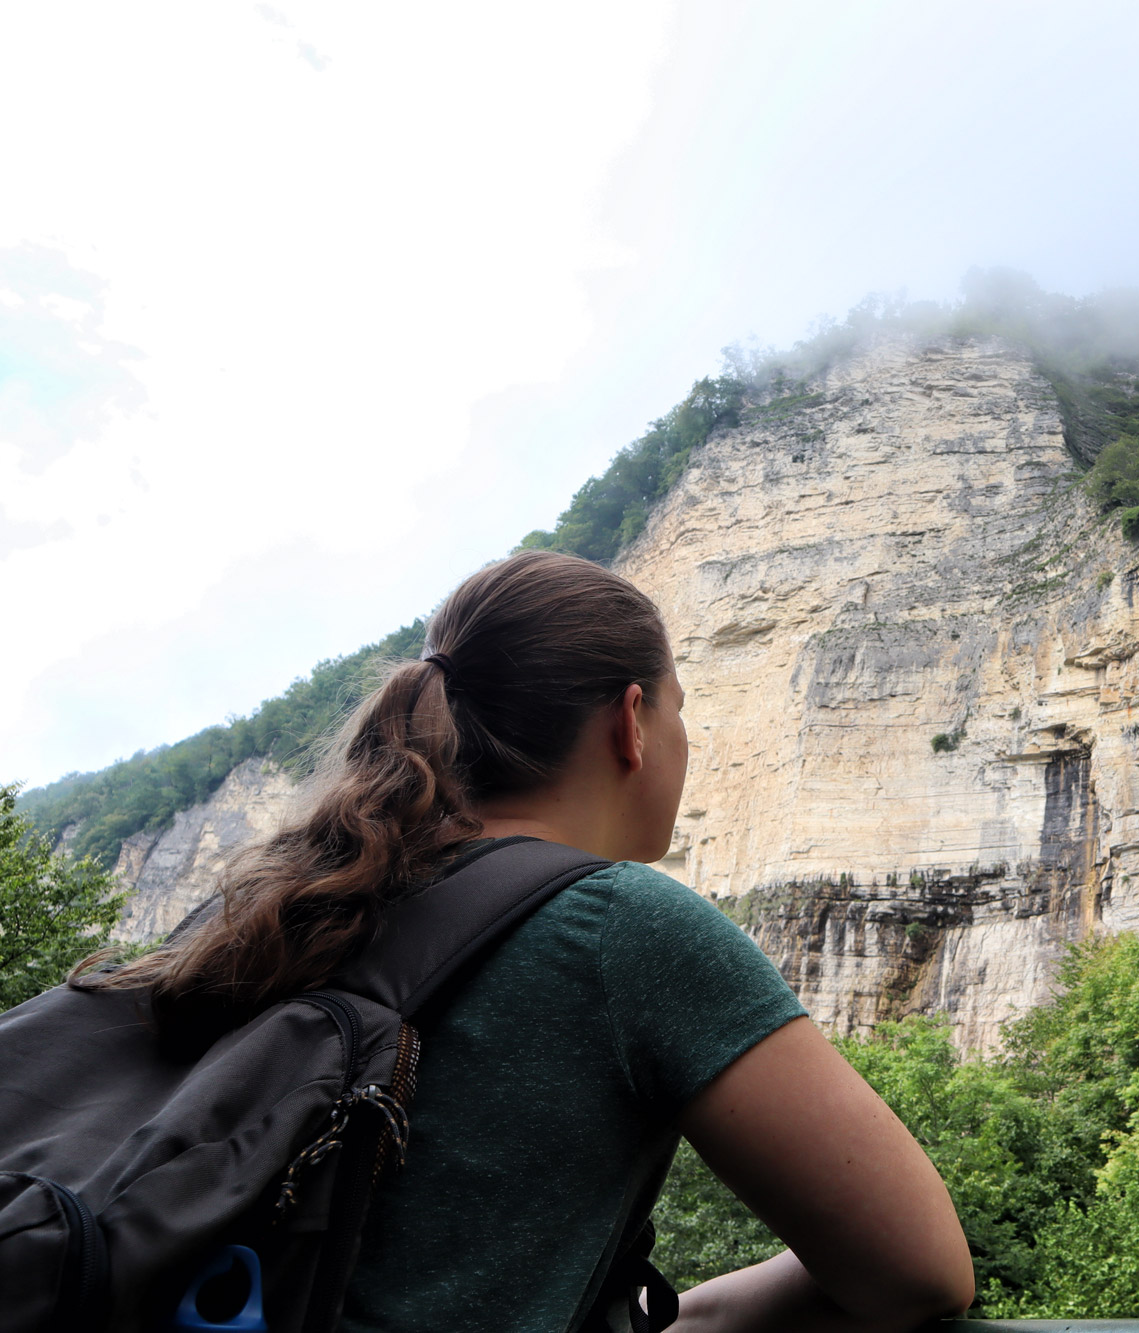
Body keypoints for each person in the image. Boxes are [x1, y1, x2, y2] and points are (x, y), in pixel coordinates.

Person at [73, 550, 974, 1332]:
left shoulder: (283, 903)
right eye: (679, 709)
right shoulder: (621, 926)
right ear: (631, 722)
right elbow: (919, 1272)